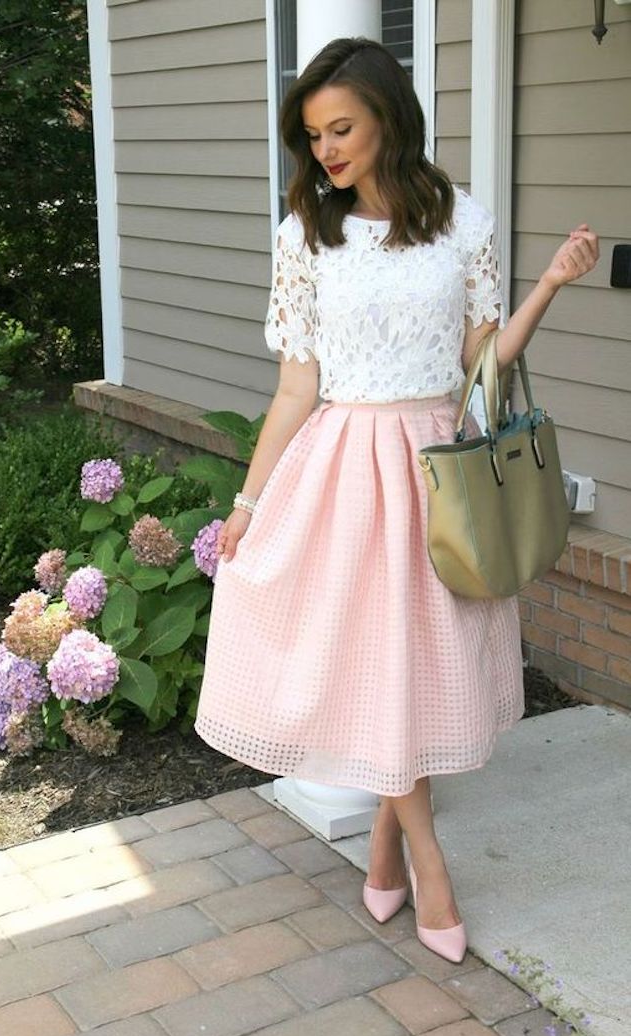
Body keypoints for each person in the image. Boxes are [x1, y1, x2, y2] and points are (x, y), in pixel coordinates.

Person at [193, 37, 599, 963]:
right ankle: (425, 855)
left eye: (343, 128)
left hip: (435, 468)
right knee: (377, 661)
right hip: (342, 468)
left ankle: (383, 845)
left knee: (415, 662)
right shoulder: (306, 235)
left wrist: (546, 288)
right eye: (313, 136)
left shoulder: (463, 223)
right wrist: (251, 504)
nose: (327, 151)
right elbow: (298, 386)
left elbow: (481, 370)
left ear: (388, 119)